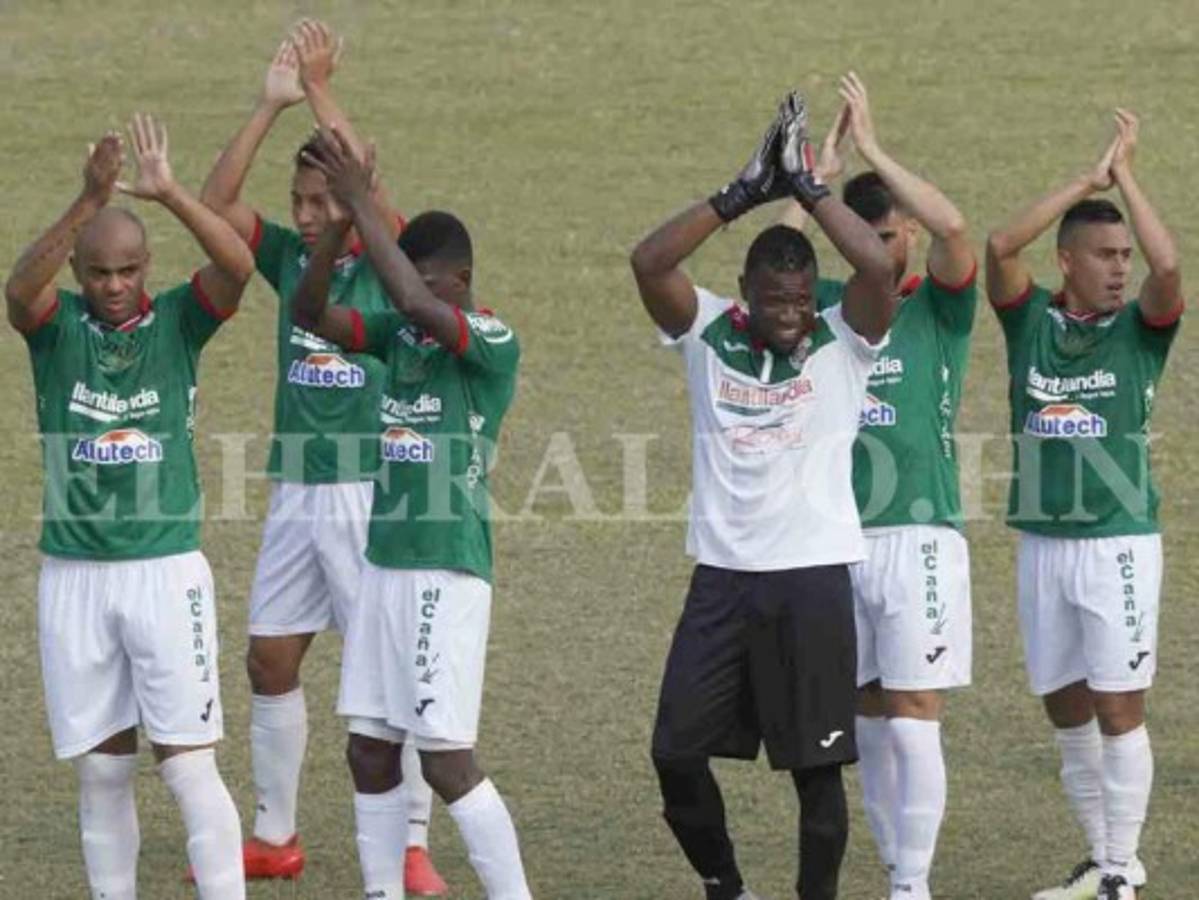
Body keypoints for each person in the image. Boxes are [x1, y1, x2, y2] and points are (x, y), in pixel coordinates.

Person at [631, 92, 895, 900]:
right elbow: (648, 263)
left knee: (816, 776)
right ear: (744, 290)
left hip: (812, 580)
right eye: (774, 299)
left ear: (814, 294)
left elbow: (877, 268)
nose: (788, 315)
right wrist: (738, 195)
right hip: (721, 579)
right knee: (674, 752)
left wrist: (811, 189)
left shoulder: (844, 341)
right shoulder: (706, 331)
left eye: (799, 299)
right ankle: (726, 886)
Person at [200, 21, 445, 891]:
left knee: (388, 677)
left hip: (369, 495)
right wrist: (270, 103)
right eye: (297, 202)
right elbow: (216, 202)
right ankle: (275, 836)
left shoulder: (389, 261)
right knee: (269, 659)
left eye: (318, 202)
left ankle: (411, 844)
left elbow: (365, 190)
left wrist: (318, 87)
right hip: (297, 492)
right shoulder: (288, 259)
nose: (305, 217)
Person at [6, 115, 254, 899]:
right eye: (99, 273)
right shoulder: (56, 331)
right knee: (103, 771)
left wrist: (171, 192)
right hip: (74, 576)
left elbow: (238, 266)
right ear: (79, 271)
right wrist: (87, 201)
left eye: (128, 270)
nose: (114, 286)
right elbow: (18, 292)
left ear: (147, 266)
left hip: (164, 573)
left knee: (188, 765)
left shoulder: (179, 321)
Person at [291, 128, 530, 900]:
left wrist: (361, 202)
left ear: (461, 280)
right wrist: (339, 228)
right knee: (368, 749)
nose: (412, 297)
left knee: (446, 761)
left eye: (428, 283)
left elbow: (410, 299)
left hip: (445, 572)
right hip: (385, 568)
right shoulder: (400, 338)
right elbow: (309, 312)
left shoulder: (490, 340)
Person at [779, 73, 977, 900]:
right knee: (863, 711)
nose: (886, 250)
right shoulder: (825, 309)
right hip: (834, 541)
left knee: (914, 707)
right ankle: (898, 872)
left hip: (919, 535)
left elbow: (954, 228)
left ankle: (912, 887)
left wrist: (872, 150)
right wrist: (809, 184)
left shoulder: (938, 307)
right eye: (869, 237)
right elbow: (774, 266)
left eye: (892, 235)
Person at [985, 109, 1183, 900]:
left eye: (1122, 255)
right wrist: (1083, 181)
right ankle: (1104, 860)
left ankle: (1119, 874)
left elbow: (1169, 270)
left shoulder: (1140, 330)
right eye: (1103, 255)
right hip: (1042, 541)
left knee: (1117, 706)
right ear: (1065, 260)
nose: (1119, 268)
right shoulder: (1028, 320)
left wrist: (1124, 177)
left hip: (1116, 543)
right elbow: (999, 248)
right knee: (1065, 708)